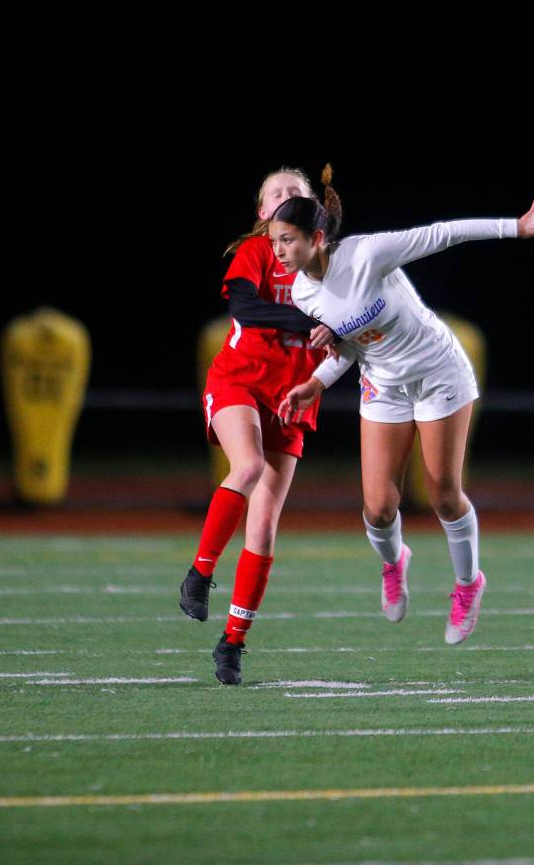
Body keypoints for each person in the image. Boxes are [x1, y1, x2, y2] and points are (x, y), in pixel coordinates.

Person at [274, 192, 534, 644]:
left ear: (317, 238)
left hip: (438, 374)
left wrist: (513, 228)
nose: (279, 251)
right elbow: (353, 344)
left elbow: (441, 234)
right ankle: (394, 562)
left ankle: (468, 584)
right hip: (384, 384)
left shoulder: (366, 253)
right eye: (275, 243)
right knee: (379, 507)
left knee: (444, 495)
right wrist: (317, 382)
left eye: (287, 240)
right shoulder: (304, 292)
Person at [180, 167, 344, 685]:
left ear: (314, 211)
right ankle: (201, 573)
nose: (285, 197)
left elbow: (357, 323)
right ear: (261, 212)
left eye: (295, 191)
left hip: (291, 400)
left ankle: (232, 642)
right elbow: (248, 309)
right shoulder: (257, 251)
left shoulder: (331, 265)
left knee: (266, 524)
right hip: (241, 380)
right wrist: (315, 322)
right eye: (275, 192)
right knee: (246, 466)